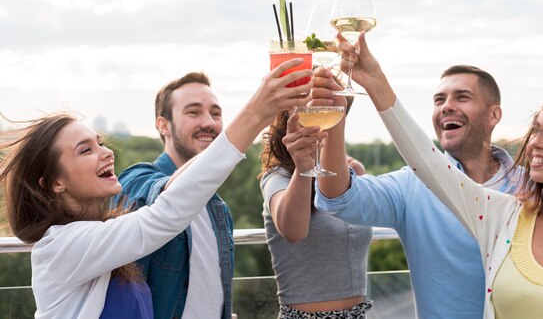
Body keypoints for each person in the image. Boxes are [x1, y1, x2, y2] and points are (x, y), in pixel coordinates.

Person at [325, 32, 543, 319]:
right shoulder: (502, 216)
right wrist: (376, 83)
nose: (535, 141)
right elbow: (425, 162)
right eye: (536, 129)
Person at [0, 58, 311, 318]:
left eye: (100, 143)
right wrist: (256, 113)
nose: (107, 153)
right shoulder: (61, 247)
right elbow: (165, 210)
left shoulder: (106, 236)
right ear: (55, 182)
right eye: (85, 150)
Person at [311, 39, 518, 318]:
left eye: (462, 97)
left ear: (494, 115)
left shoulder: (533, 188)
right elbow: (337, 196)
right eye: (439, 100)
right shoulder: (412, 186)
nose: (446, 106)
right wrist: (334, 118)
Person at [259, 98, 373, 318]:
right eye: (310, 108)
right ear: (290, 117)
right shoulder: (277, 177)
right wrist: (303, 167)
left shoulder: (351, 172)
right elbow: (293, 231)